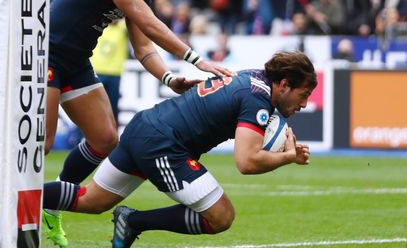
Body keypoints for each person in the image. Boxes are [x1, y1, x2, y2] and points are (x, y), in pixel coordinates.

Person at [43, 0, 233, 247]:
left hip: (74, 63)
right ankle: (4, 203)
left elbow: (143, 47)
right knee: (43, 143)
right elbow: (148, 23)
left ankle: (53, 202)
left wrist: (170, 78)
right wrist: (195, 59)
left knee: (105, 139)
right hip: (44, 56)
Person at [42, 51, 316, 247]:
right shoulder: (258, 99)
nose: (303, 104)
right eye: (303, 95)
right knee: (221, 217)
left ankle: (17, 193)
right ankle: (134, 221)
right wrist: (287, 157)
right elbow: (246, 162)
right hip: (165, 145)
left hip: (145, 127)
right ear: (283, 85)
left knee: (92, 201)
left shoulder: (251, 78)